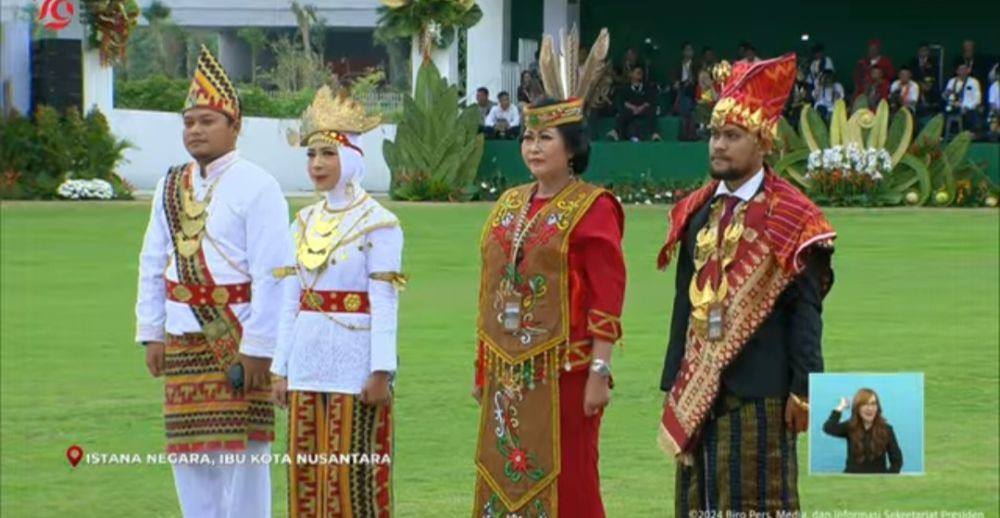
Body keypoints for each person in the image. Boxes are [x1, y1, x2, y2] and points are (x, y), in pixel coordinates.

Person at [657, 53, 836, 514]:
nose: (718, 145)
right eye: (715, 135)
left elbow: (805, 311)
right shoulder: (693, 211)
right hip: (699, 394)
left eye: (732, 136)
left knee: (758, 501)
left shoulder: (793, 216)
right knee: (698, 504)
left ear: (763, 142)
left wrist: (805, 387)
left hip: (763, 393)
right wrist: (674, 381)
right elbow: (683, 303)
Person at [472, 27, 625, 518]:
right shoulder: (509, 203)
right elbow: (490, 287)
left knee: (570, 475)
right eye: (527, 137)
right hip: (507, 370)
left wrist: (599, 370)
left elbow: (607, 294)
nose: (533, 148)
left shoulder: (594, 207)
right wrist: (483, 364)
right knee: (503, 468)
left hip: (565, 371)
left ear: (573, 147)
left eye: (545, 138)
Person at [135, 45, 289, 518]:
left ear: (235, 126)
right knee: (189, 457)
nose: (195, 130)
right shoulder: (170, 185)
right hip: (182, 339)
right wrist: (151, 332)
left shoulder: (259, 185)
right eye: (188, 122)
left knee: (243, 460)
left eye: (207, 120)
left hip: (238, 339)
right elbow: (152, 260)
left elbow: (274, 274)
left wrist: (260, 347)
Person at [270, 86, 403, 516]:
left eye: (327, 154)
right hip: (306, 361)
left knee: (352, 479)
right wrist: (279, 366)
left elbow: (384, 301)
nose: (317, 165)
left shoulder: (380, 224)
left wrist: (381, 369)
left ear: (352, 158)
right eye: (311, 155)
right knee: (307, 476)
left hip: (355, 363)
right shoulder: (302, 221)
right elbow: (290, 300)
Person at [822, 388, 904, 474]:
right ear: (857, 408)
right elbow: (828, 428)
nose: (870, 408)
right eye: (865, 404)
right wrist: (840, 407)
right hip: (851, 480)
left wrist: (884, 481)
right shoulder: (850, 427)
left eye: (873, 404)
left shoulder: (887, 430)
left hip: (876, 482)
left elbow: (897, 461)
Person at [609, 65, 660, 141]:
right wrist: (632, 107)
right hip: (631, 110)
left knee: (651, 111)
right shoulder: (625, 88)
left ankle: (654, 134)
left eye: (640, 72)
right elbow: (623, 101)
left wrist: (641, 107)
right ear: (631, 74)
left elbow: (650, 101)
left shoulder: (647, 87)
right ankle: (615, 132)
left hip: (643, 109)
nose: (639, 74)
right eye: (637, 72)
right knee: (622, 112)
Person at [944, 64, 983, 135]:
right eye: (960, 70)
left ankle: (972, 133)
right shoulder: (952, 81)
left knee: (973, 114)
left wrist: (967, 107)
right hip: (954, 106)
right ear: (957, 71)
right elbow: (947, 96)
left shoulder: (974, 82)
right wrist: (947, 95)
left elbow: (977, 99)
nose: (963, 72)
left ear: (968, 71)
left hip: (969, 108)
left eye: (964, 70)